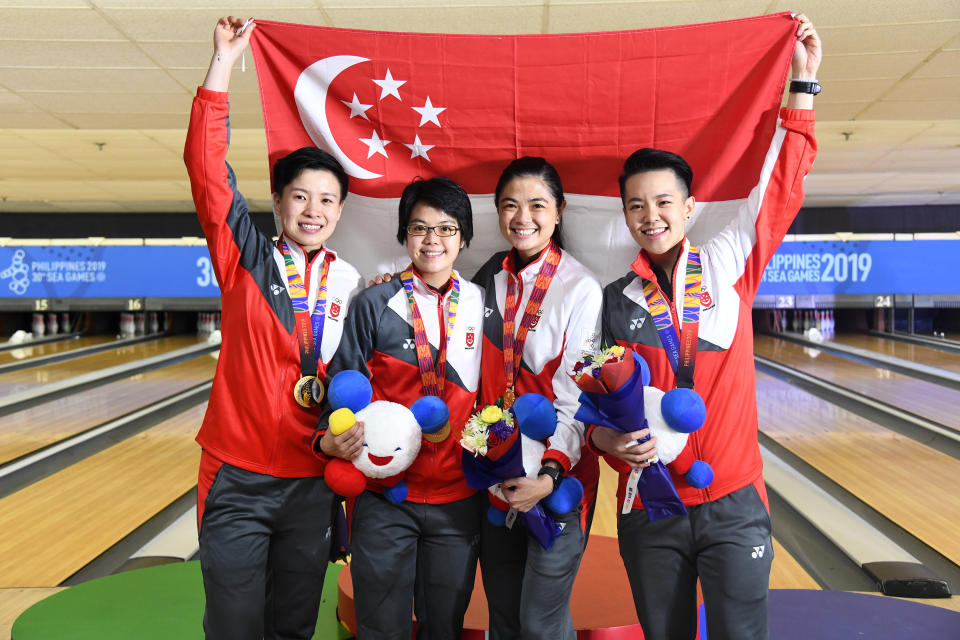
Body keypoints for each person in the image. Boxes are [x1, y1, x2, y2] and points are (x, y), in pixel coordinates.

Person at [589, 14, 822, 640]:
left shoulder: (727, 262)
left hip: (734, 505)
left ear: (689, 207)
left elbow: (781, 186)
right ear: (626, 215)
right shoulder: (613, 300)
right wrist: (606, 446)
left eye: (663, 202)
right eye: (636, 205)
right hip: (650, 502)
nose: (651, 215)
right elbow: (592, 405)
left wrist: (802, 85)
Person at [183, 16, 364, 640]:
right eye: (300, 197)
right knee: (234, 627)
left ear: (340, 211)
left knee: (292, 627)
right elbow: (207, 172)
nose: (313, 210)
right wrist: (221, 67)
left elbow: (352, 383)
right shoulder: (246, 259)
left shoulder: (352, 283)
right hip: (238, 476)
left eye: (327, 200)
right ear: (280, 202)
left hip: (311, 482)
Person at [316, 176, 486, 640]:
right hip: (386, 498)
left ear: (463, 238)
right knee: (380, 629)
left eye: (446, 229)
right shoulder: (373, 302)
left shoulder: (481, 302)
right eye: (419, 228)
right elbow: (343, 391)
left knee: (444, 628)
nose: (432, 240)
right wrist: (332, 438)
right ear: (403, 235)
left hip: (457, 499)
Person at [471, 157, 604, 640]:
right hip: (496, 478)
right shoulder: (489, 282)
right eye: (510, 205)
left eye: (537, 205)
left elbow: (577, 398)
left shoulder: (581, 288)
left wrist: (548, 477)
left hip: (558, 486)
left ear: (559, 210)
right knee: (504, 621)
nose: (522, 217)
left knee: (540, 624)